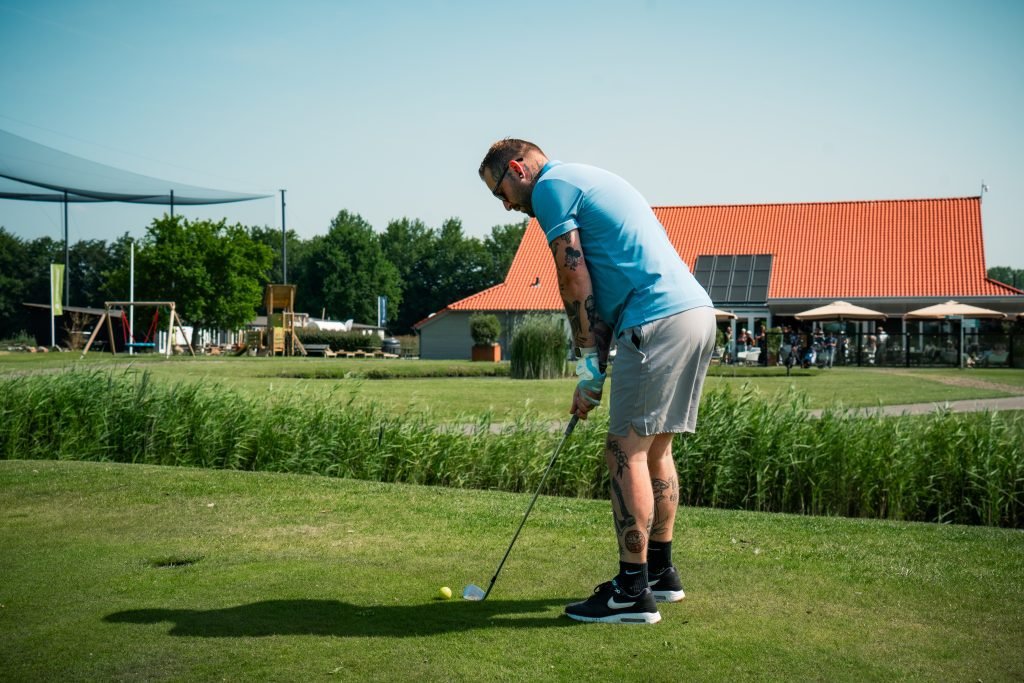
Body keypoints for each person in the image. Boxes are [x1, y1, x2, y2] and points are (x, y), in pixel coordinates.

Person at [479, 139, 715, 625]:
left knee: (623, 449)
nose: (505, 205)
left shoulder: (550, 189)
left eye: (500, 192)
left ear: (518, 169)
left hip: (655, 319)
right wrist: (594, 368)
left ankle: (631, 591)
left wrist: (588, 368)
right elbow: (601, 290)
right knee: (654, 448)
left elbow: (573, 279)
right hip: (694, 313)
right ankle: (659, 573)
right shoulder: (584, 178)